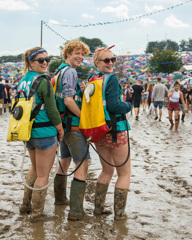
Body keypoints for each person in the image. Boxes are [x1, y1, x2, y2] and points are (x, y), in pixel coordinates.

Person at [18, 47, 64, 221]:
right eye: (40, 60)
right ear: (31, 62)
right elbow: (52, 110)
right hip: (45, 131)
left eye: (47, 59)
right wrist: (60, 130)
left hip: (28, 131)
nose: (45, 63)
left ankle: (25, 205)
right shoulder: (44, 80)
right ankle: (37, 214)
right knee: (43, 174)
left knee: (35, 169)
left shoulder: (23, 80)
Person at [91, 46, 131, 220]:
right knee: (124, 173)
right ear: (97, 62)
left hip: (99, 131)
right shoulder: (112, 79)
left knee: (106, 171)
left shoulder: (92, 78)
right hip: (116, 130)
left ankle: (98, 208)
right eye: (106, 60)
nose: (111, 63)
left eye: (113, 59)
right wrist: (128, 106)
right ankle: (120, 214)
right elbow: (115, 106)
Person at [53, 39, 90, 221]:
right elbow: (69, 100)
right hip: (73, 124)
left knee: (64, 160)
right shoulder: (71, 72)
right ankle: (76, 211)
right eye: (77, 53)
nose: (80, 57)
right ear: (67, 53)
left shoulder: (58, 71)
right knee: (82, 164)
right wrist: (85, 117)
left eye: (83, 54)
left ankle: (60, 200)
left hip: (62, 125)